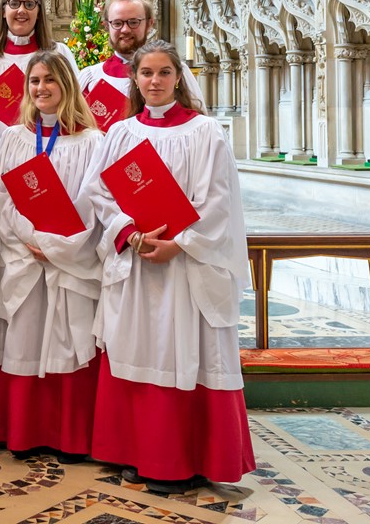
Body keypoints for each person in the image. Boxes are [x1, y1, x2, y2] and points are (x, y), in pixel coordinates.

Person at [82, 39, 255, 493]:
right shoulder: (120, 134)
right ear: (134, 80)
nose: (154, 82)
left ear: (179, 77)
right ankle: (138, 453)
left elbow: (217, 202)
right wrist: (130, 233)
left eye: (163, 73)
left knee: (183, 352)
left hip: (184, 271)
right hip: (137, 264)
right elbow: (98, 192)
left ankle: (184, 459)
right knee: (136, 350)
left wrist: (179, 244)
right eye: (146, 74)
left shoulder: (205, 132)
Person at [0, 48, 102, 462]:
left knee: (68, 340)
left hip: (69, 262)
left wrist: (56, 248)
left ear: (66, 85)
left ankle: (69, 436)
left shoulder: (92, 142)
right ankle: (23, 432)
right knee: (25, 338)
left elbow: (92, 203)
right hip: (24, 258)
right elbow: (1, 198)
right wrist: (31, 242)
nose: (41, 88)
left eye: (49, 80)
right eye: (34, 81)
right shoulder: (14, 138)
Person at [78, 0, 204, 128]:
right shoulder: (90, 77)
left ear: (149, 24)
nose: (125, 29)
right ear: (107, 26)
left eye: (133, 22)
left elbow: (197, 125)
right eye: (117, 23)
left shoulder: (174, 70)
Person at [0, 0, 79, 95]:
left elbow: (75, 101)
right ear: (3, 11)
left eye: (29, 4)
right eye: (14, 4)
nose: (22, 10)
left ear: (38, 12)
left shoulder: (60, 53)